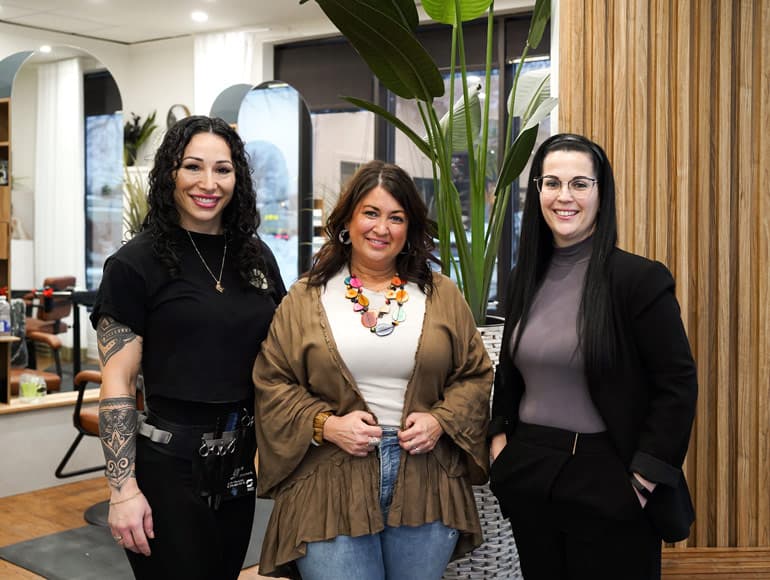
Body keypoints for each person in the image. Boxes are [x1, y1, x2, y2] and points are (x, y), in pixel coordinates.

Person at [252, 160, 493, 579]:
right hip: (329, 480)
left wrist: (441, 421)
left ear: (409, 229)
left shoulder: (442, 295)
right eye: (371, 213)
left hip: (426, 480)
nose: (382, 228)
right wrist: (325, 424)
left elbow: (475, 374)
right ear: (347, 221)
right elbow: (272, 380)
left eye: (396, 218)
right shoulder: (306, 297)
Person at [488, 133, 698, 580]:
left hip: (609, 478)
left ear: (602, 194)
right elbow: (510, 375)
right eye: (552, 183)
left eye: (580, 184)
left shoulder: (639, 280)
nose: (565, 196)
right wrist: (499, 445)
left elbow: (677, 385)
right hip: (530, 471)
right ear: (538, 192)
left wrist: (641, 482)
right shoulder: (522, 277)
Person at [90, 115, 286, 579]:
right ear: (169, 174)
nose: (208, 183)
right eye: (193, 167)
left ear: (237, 178)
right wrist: (122, 491)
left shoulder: (255, 257)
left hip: (240, 462)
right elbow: (117, 380)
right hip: (168, 467)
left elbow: (287, 350)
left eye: (222, 169)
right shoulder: (135, 263)